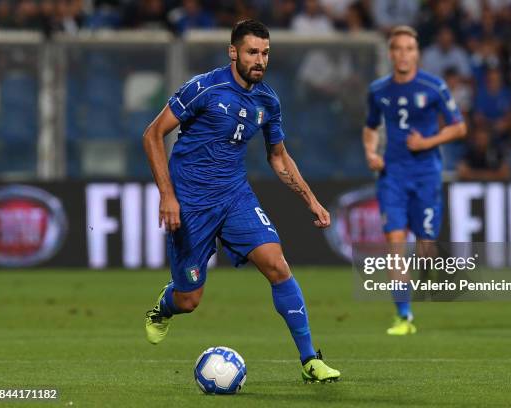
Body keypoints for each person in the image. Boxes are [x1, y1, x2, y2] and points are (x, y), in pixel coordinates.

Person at [142, 19, 340, 383]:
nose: (260, 60)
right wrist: (167, 196)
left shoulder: (268, 100)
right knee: (189, 300)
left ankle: (310, 360)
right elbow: (153, 134)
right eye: (252, 52)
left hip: (234, 197)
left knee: (278, 265)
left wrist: (311, 199)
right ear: (233, 52)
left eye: (265, 53)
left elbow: (278, 157)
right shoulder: (204, 88)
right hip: (191, 204)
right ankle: (163, 308)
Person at [362, 25, 467, 335]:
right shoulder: (378, 90)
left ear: (417, 53)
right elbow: (370, 127)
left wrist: (428, 141)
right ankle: (403, 316)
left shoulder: (434, 87)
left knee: (425, 247)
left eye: (409, 48)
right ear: (391, 53)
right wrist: (370, 152)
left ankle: (426, 274)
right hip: (392, 174)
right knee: (395, 242)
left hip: (425, 175)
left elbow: (459, 127)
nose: (403, 54)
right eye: (398, 48)